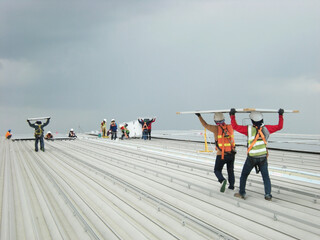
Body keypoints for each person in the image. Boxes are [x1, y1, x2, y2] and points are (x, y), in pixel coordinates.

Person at [230, 108, 284, 201]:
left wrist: (232, 115)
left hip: (252, 158)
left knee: (244, 175)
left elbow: (234, 126)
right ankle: (268, 194)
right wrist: (280, 115)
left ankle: (242, 193)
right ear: (262, 119)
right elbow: (279, 126)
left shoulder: (248, 129)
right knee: (265, 177)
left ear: (252, 120)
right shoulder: (267, 129)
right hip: (263, 157)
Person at [196, 112, 236, 192]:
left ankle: (222, 180)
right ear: (224, 119)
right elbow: (235, 125)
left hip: (221, 154)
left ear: (215, 121)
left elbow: (205, 125)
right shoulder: (231, 127)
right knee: (230, 170)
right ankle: (231, 186)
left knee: (217, 170)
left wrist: (199, 116)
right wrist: (232, 115)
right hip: (231, 154)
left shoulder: (215, 129)